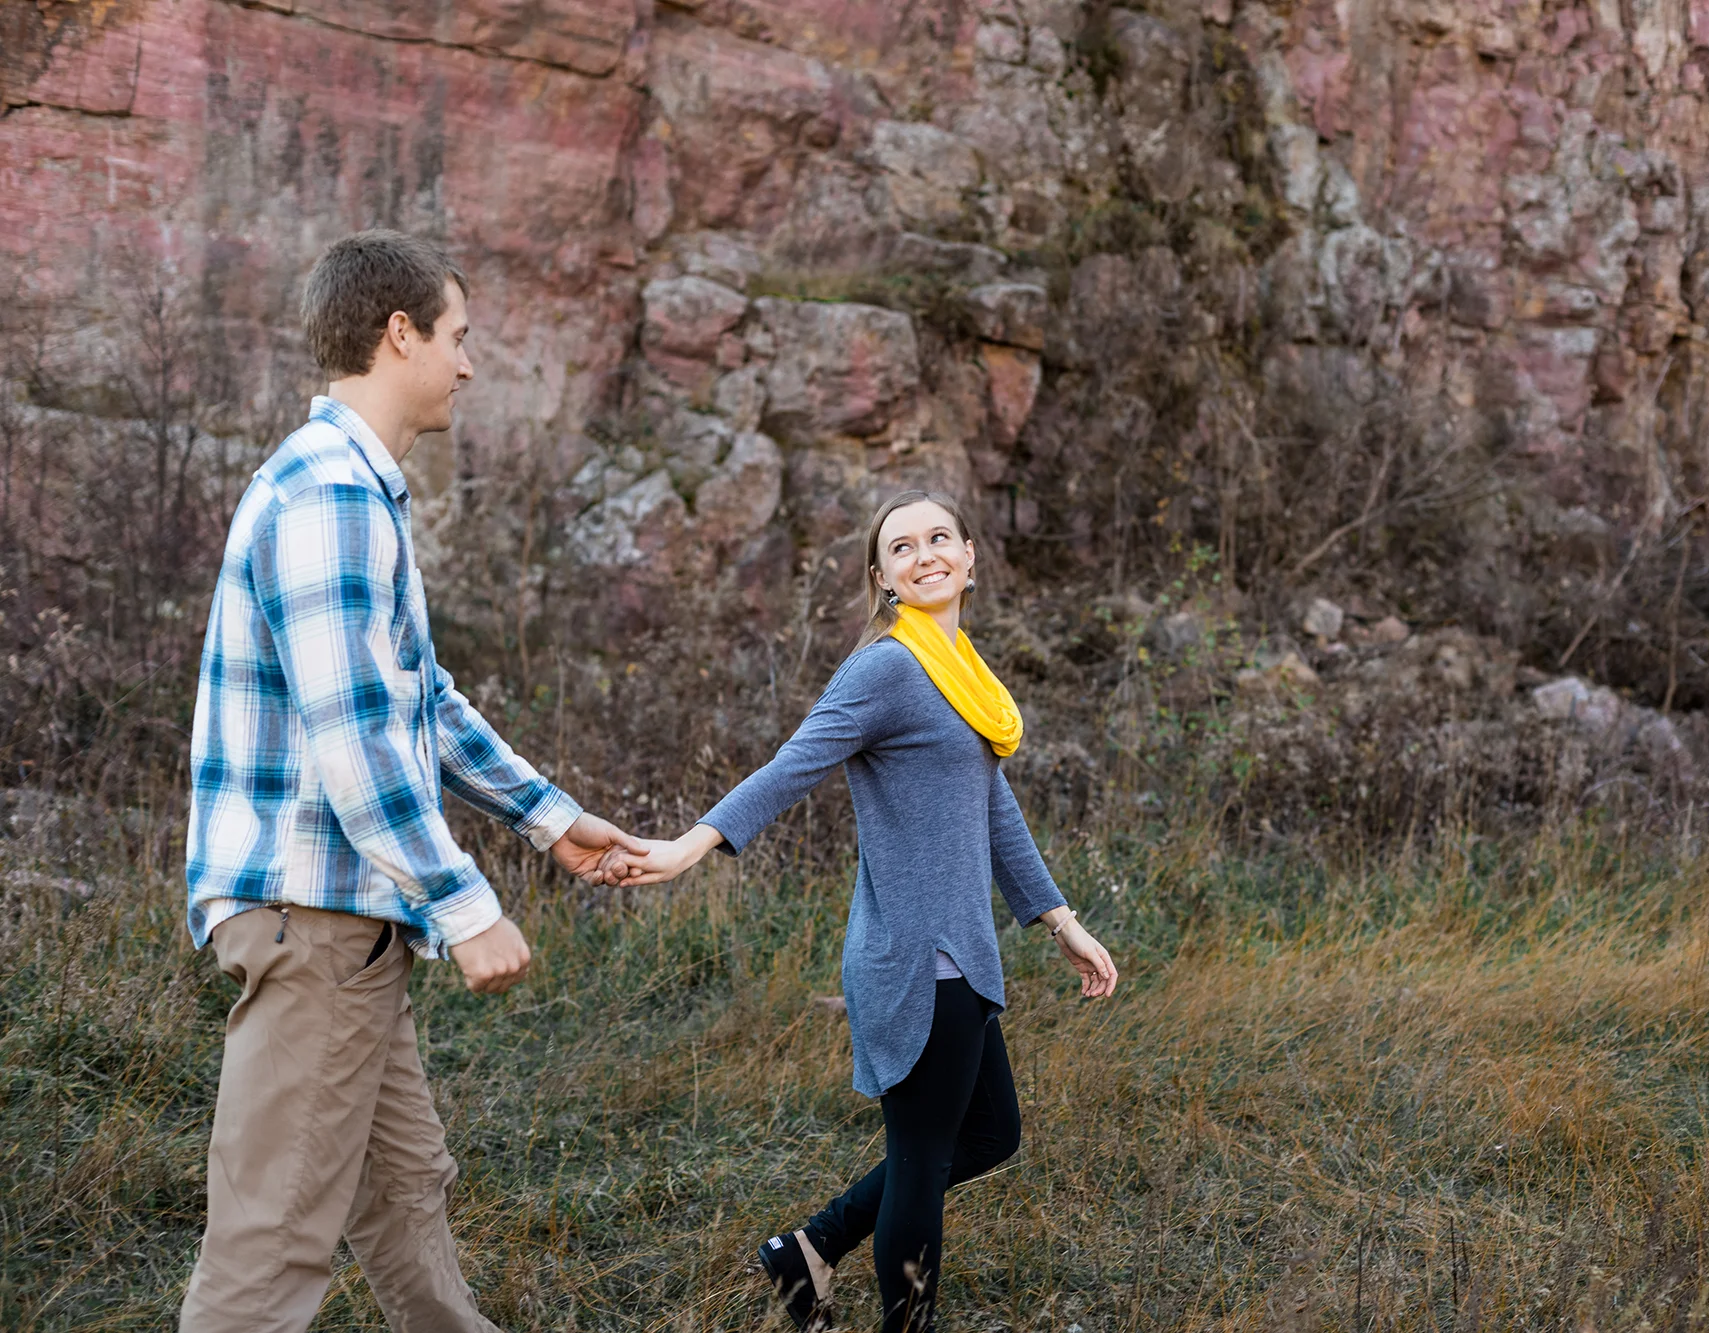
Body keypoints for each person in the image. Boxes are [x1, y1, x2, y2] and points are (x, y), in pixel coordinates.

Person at [179, 229, 645, 1333]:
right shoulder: (330, 496)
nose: (468, 365)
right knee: (269, 1249)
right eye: (458, 336)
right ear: (400, 334)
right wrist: (464, 905)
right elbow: (355, 742)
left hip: (345, 922)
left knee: (404, 1194)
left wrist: (550, 818)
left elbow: (419, 699)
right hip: (314, 920)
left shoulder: (350, 491)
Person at [603, 489, 1119, 1333]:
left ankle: (808, 1248)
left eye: (939, 537)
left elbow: (992, 807)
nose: (924, 555)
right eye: (901, 547)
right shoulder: (888, 667)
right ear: (882, 577)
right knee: (921, 1161)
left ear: (970, 556)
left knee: (990, 1134)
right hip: (917, 958)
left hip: (962, 951)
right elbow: (792, 765)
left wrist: (1060, 920)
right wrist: (686, 847)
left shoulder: (962, 673)